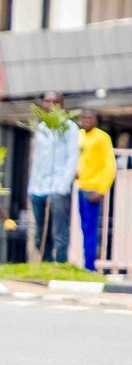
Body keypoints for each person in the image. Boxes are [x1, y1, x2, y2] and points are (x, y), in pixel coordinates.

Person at [28, 91, 79, 264]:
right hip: (38, 187)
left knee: (59, 230)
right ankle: (45, 263)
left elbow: (73, 158)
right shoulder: (41, 129)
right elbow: (36, 159)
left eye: (54, 101)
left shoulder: (70, 128)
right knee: (41, 231)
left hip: (58, 186)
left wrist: (63, 186)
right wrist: (31, 186)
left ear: (61, 105)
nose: (50, 104)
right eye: (47, 101)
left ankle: (61, 263)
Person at [76, 110, 116, 272]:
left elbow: (110, 165)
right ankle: (85, 263)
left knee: (90, 228)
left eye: (89, 118)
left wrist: (101, 189)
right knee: (84, 227)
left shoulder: (102, 137)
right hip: (81, 186)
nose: (85, 121)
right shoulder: (78, 136)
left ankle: (90, 266)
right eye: (83, 118)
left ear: (95, 121)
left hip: (93, 189)